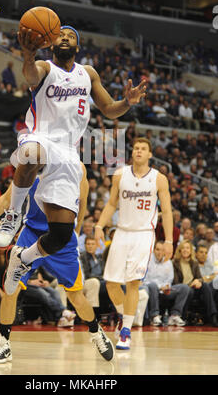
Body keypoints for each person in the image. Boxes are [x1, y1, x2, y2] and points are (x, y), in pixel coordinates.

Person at [0, 25, 146, 297]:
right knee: (31, 154)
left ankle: (23, 259)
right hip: (40, 137)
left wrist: (127, 102)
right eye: (60, 35)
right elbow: (30, 75)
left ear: (77, 47)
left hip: (68, 153)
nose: (65, 38)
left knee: (62, 234)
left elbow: (110, 110)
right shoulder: (44, 67)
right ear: (52, 44)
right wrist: (28, 56)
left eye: (71, 36)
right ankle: (13, 214)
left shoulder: (87, 74)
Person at [0, 164, 115, 363]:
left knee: (75, 295)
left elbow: (82, 201)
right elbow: (5, 198)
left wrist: (76, 230)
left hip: (61, 238)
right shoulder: (33, 162)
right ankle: (4, 343)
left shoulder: (76, 166)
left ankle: (96, 333)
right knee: (10, 290)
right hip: (31, 234)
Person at [95, 137, 174, 350]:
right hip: (121, 232)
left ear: (150, 154)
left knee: (132, 282)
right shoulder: (120, 175)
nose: (139, 151)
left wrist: (168, 240)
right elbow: (112, 204)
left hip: (143, 234)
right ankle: (124, 315)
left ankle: (126, 330)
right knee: (111, 283)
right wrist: (99, 226)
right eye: (136, 148)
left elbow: (166, 211)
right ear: (132, 153)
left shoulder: (159, 179)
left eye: (143, 149)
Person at [143, 241, 189, 326]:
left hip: (165, 291)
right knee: (153, 286)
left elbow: (170, 279)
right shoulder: (147, 261)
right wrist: (160, 287)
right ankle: (155, 316)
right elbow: (145, 280)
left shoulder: (168, 262)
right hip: (152, 290)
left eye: (162, 250)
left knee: (184, 287)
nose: (160, 252)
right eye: (157, 249)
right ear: (153, 250)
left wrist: (166, 287)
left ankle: (175, 315)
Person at [173, 240, 218, 326]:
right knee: (188, 289)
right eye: (183, 248)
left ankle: (213, 315)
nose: (185, 250)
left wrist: (198, 281)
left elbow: (200, 278)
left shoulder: (194, 263)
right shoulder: (175, 263)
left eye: (187, 248)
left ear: (190, 251)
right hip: (183, 289)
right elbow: (176, 282)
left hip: (194, 289)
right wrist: (190, 285)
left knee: (205, 285)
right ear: (180, 250)